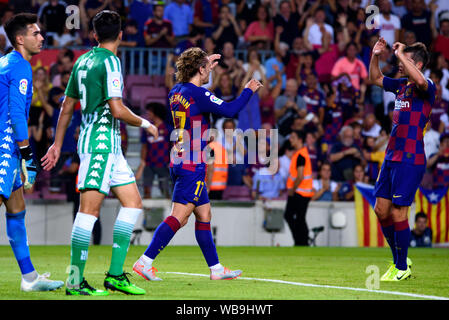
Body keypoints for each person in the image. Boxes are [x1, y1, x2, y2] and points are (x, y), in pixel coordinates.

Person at [41, 10, 159, 296]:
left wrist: (57, 143)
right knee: (88, 211)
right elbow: (117, 109)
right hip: (100, 143)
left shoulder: (82, 61)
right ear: (121, 34)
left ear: (94, 34)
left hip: (103, 143)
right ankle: (73, 279)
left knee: (132, 203)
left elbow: (67, 107)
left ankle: (116, 275)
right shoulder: (111, 62)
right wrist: (146, 124)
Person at [132, 47, 262, 281]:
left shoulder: (175, 91)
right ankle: (145, 261)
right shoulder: (197, 93)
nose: (209, 73)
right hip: (192, 162)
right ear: (200, 69)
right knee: (179, 217)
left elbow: (195, 109)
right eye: (206, 69)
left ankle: (216, 269)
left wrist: (205, 66)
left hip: (182, 158)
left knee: (204, 214)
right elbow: (230, 109)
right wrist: (247, 90)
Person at [0, 13, 64, 292]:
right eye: (35, 33)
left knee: (16, 210)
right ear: (19, 39)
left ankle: (29, 278)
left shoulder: (5, 63)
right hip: (5, 146)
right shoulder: (21, 66)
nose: (41, 37)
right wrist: (28, 155)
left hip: (8, 147)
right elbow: (15, 113)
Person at [369, 37, 435, 281]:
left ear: (416, 63)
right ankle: (400, 260)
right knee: (381, 209)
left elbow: (418, 78)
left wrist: (400, 55)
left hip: (411, 158)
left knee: (399, 213)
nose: (399, 64)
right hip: (391, 157)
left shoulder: (425, 85)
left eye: (406, 60)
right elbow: (374, 78)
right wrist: (375, 55)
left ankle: (401, 266)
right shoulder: (401, 86)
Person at [285, 130, 314, 246]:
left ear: (299, 140)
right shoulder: (300, 153)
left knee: (295, 217)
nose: (290, 140)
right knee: (299, 217)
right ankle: (301, 240)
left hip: (300, 192)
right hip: (302, 192)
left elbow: (300, 175)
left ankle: (301, 240)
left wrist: (292, 188)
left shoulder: (300, 154)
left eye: (293, 137)